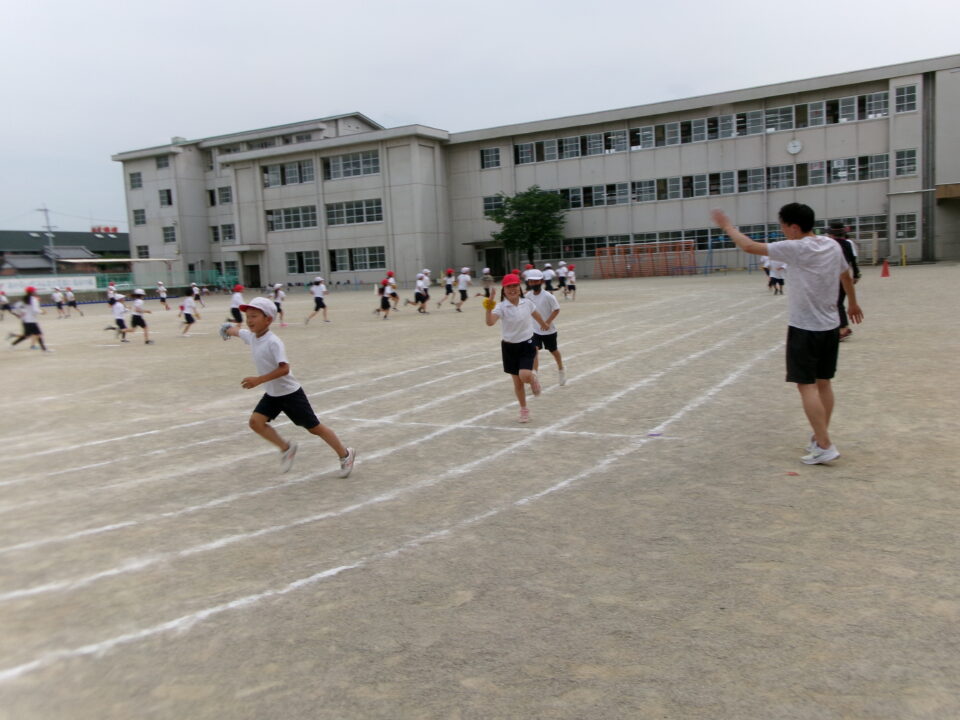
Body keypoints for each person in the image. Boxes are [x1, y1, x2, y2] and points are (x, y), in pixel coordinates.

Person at [711, 203, 863, 465]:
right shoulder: (831, 245)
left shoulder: (797, 248)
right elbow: (845, 275)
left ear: (794, 227)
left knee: (806, 385)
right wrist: (853, 303)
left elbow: (749, 246)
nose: (782, 231)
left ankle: (824, 444)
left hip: (805, 327)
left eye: (782, 226)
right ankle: (820, 437)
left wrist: (727, 226)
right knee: (824, 383)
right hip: (830, 326)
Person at [219, 297, 355, 477]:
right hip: (272, 394)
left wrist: (259, 380)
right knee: (255, 423)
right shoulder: (252, 336)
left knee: (314, 428)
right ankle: (286, 448)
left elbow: (284, 369)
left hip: (290, 394)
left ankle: (345, 454)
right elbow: (238, 331)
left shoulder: (273, 342)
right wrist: (226, 328)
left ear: (268, 319)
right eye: (248, 316)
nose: (249, 320)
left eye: (254, 316)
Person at [484, 273, 551, 423]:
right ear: (504, 289)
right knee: (518, 383)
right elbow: (490, 322)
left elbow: (535, 314)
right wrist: (489, 304)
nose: (512, 289)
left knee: (524, 375)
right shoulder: (501, 307)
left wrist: (543, 324)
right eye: (509, 286)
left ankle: (532, 378)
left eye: (515, 285)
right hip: (509, 348)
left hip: (526, 344)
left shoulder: (526, 303)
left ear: (520, 288)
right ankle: (524, 409)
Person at [525, 269, 566, 386]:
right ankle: (534, 377)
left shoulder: (548, 296)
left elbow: (556, 309)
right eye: (531, 281)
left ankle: (561, 369)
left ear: (542, 281)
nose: (533, 283)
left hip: (549, 331)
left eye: (536, 281)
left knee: (554, 351)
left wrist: (547, 322)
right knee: (534, 351)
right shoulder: (528, 296)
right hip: (534, 330)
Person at [826, 221, 861, 341]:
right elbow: (853, 260)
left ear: (831, 234)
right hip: (846, 276)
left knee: (837, 303)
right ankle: (839, 327)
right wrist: (856, 274)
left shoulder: (831, 245)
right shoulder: (848, 243)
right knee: (838, 302)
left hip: (836, 277)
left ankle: (843, 328)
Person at [8, 286, 50, 352]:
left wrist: (20, 314)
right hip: (31, 320)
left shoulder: (24, 299)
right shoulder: (33, 299)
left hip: (25, 320)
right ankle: (44, 349)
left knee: (27, 335)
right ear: (32, 292)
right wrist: (42, 312)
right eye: (34, 291)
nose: (35, 292)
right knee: (38, 334)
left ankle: (12, 344)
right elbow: (35, 310)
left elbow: (18, 307)